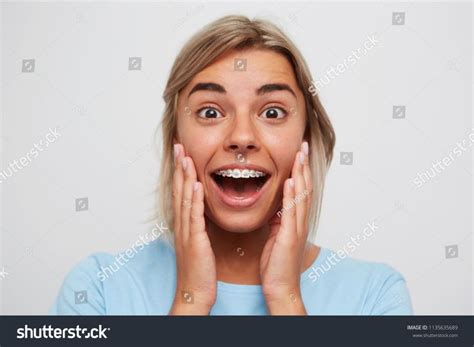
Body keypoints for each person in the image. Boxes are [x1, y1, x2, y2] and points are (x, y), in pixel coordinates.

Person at [50, 15, 413, 315]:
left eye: (272, 112)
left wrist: (286, 298)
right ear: (176, 140)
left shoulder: (376, 296)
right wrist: (190, 299)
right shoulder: (96, 288)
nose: (242, 137)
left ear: (306, 141)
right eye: (210, 112)